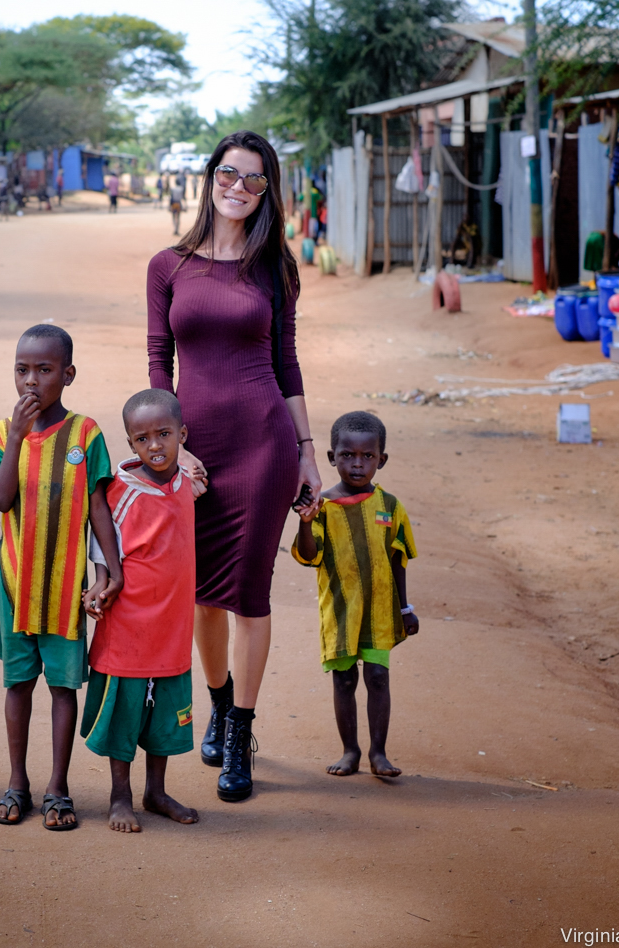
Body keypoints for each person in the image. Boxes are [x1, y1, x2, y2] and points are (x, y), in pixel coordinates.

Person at [147, 130, 321, 803]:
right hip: (194, 447)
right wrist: (170, 445)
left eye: (255, 180)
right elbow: (160, 360)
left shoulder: (275, 267)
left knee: (249, 593)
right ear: (209, 177)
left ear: (268, 191)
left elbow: (288, 363)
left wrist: (308, 453)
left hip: (265, 442)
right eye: (229, 173)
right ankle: (217, 702)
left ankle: (240, 733)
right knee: (199, 593)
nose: (239, 188)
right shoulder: (169, 265)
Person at [0, 324, 124, 830]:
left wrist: (114, 568)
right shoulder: (1, 434)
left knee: (64, 687)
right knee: (18, 684)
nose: (31, 381)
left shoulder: (86, 434)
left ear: (68, 374)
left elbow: (99, 503)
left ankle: (58, 786)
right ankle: (17, 782)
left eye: (44, 370)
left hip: (66, 589)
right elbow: (0, 500)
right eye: (22, 370)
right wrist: (17, 436)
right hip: (16, 587)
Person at [81, 388, 204, 833]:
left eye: (165, 434)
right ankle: (120, 796)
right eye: (142, 438)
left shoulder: (186, 483)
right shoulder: (122, 488)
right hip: (129, 622)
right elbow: (101, 536)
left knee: (165, 712)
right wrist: (99, 580)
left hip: (172, 623)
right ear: (130, 443)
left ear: (182, 436)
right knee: (125, 711)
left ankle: (155, 790)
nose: (155, 445)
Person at [292, 411, 419, 778]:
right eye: (348, 455)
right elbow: (309, 555)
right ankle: (350, 751)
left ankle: (379, 753)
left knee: (378, 677)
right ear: (332, 458)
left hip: (380, 610)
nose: (358, 464)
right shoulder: (322, 507)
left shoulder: (390, 507)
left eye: (367, 456)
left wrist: (405, 608)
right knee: (344, 680)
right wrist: (304, 521)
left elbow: (398, 561)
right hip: (340, 611)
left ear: (382, 459)